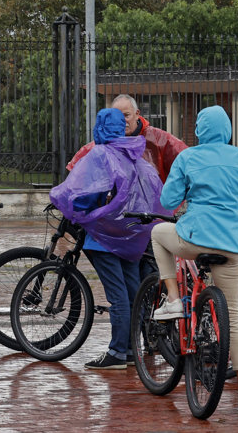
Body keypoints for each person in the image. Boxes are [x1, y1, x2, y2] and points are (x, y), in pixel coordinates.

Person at [149, 106, 238, 414]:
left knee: (158, 234)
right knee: (234, 316)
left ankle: (173, 298)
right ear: (227, 130)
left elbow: (168, 201)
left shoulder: (188, 157)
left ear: (200, 130)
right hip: (230, 246)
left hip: (193, 240)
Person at [52, 107, 168, 370]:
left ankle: (117, 352)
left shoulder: (101, 155)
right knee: (132, 292)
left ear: (100, 126)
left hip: (104, 238)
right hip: (132, 236)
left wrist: (74, 208)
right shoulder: (135, 155)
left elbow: (86, 192)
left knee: (117, 296)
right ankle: (130, 349)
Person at [67, 94, 187, 182]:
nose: (122, 121)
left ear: (137, 114)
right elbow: (76, 171)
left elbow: (186, 161)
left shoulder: (157, 138)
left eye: (126, 115)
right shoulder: (101, 144)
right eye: (117, 116)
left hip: (152, 210)